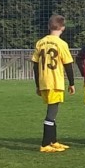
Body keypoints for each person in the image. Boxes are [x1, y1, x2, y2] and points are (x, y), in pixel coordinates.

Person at [32, 14, 76, 153]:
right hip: (55, 82)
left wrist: (38, 85)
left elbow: (35, 65)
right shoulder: (62, 44)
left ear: (48, 26)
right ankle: (45, 144)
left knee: (53, 111)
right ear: (63, 28)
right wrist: (72, 83)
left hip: (44, 81)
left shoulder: (40, 42)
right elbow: (68, 65)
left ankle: (53, 141)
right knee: (52, 113)